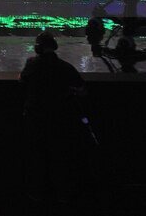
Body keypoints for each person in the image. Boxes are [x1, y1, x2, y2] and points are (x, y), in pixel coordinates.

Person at [20, 32, 91, 206]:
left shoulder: (31, 64)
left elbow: (22, 81)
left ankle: (37, 194)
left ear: (37, 47)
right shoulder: (65, 67)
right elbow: (82, 90)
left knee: (37, 156)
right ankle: (63, 194)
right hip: (60, 120)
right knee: (61, 157)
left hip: (35, 119)